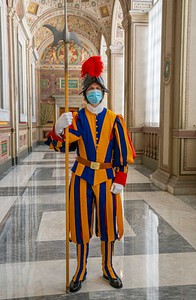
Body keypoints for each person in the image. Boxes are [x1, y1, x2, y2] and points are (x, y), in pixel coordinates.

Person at [45, 56, 136, 293]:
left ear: (103, 92)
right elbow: (61, 147)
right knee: (81, 224)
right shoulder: (76, 119)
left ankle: (108, 267)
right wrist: (57, 129)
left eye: (98, 89)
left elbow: (123, 151)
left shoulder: (115, 119)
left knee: (108, 224)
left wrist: (121, 179)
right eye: (90, 89)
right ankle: (81, 268)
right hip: (81, 176)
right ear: (84, 93)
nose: (94, 93)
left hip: (107, 178)